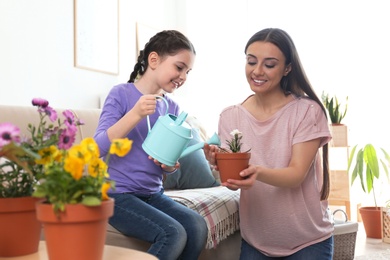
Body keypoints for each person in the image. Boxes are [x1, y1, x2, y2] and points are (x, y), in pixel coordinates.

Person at [204, 28, 334, 259]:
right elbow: (233, 185)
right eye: (251, 61)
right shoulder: (230, 116)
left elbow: (296, 174)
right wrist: (219, 164)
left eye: (269, 64)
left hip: (308, 242)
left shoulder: (307, 112)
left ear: (287, 68)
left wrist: (257, 172)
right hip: (256, 242)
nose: (257, 71)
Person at [94, 30, 207, 260]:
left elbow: (168, 163)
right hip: (117, 195)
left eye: (188, 71)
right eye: (179, 67)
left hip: (153, 194)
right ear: (154, 60)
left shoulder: (172, 108)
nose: (183, 76)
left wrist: (169, 166)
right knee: (172, 233)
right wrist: (135, 113)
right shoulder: (121, 94)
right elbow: (97, 147)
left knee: (197, 226)